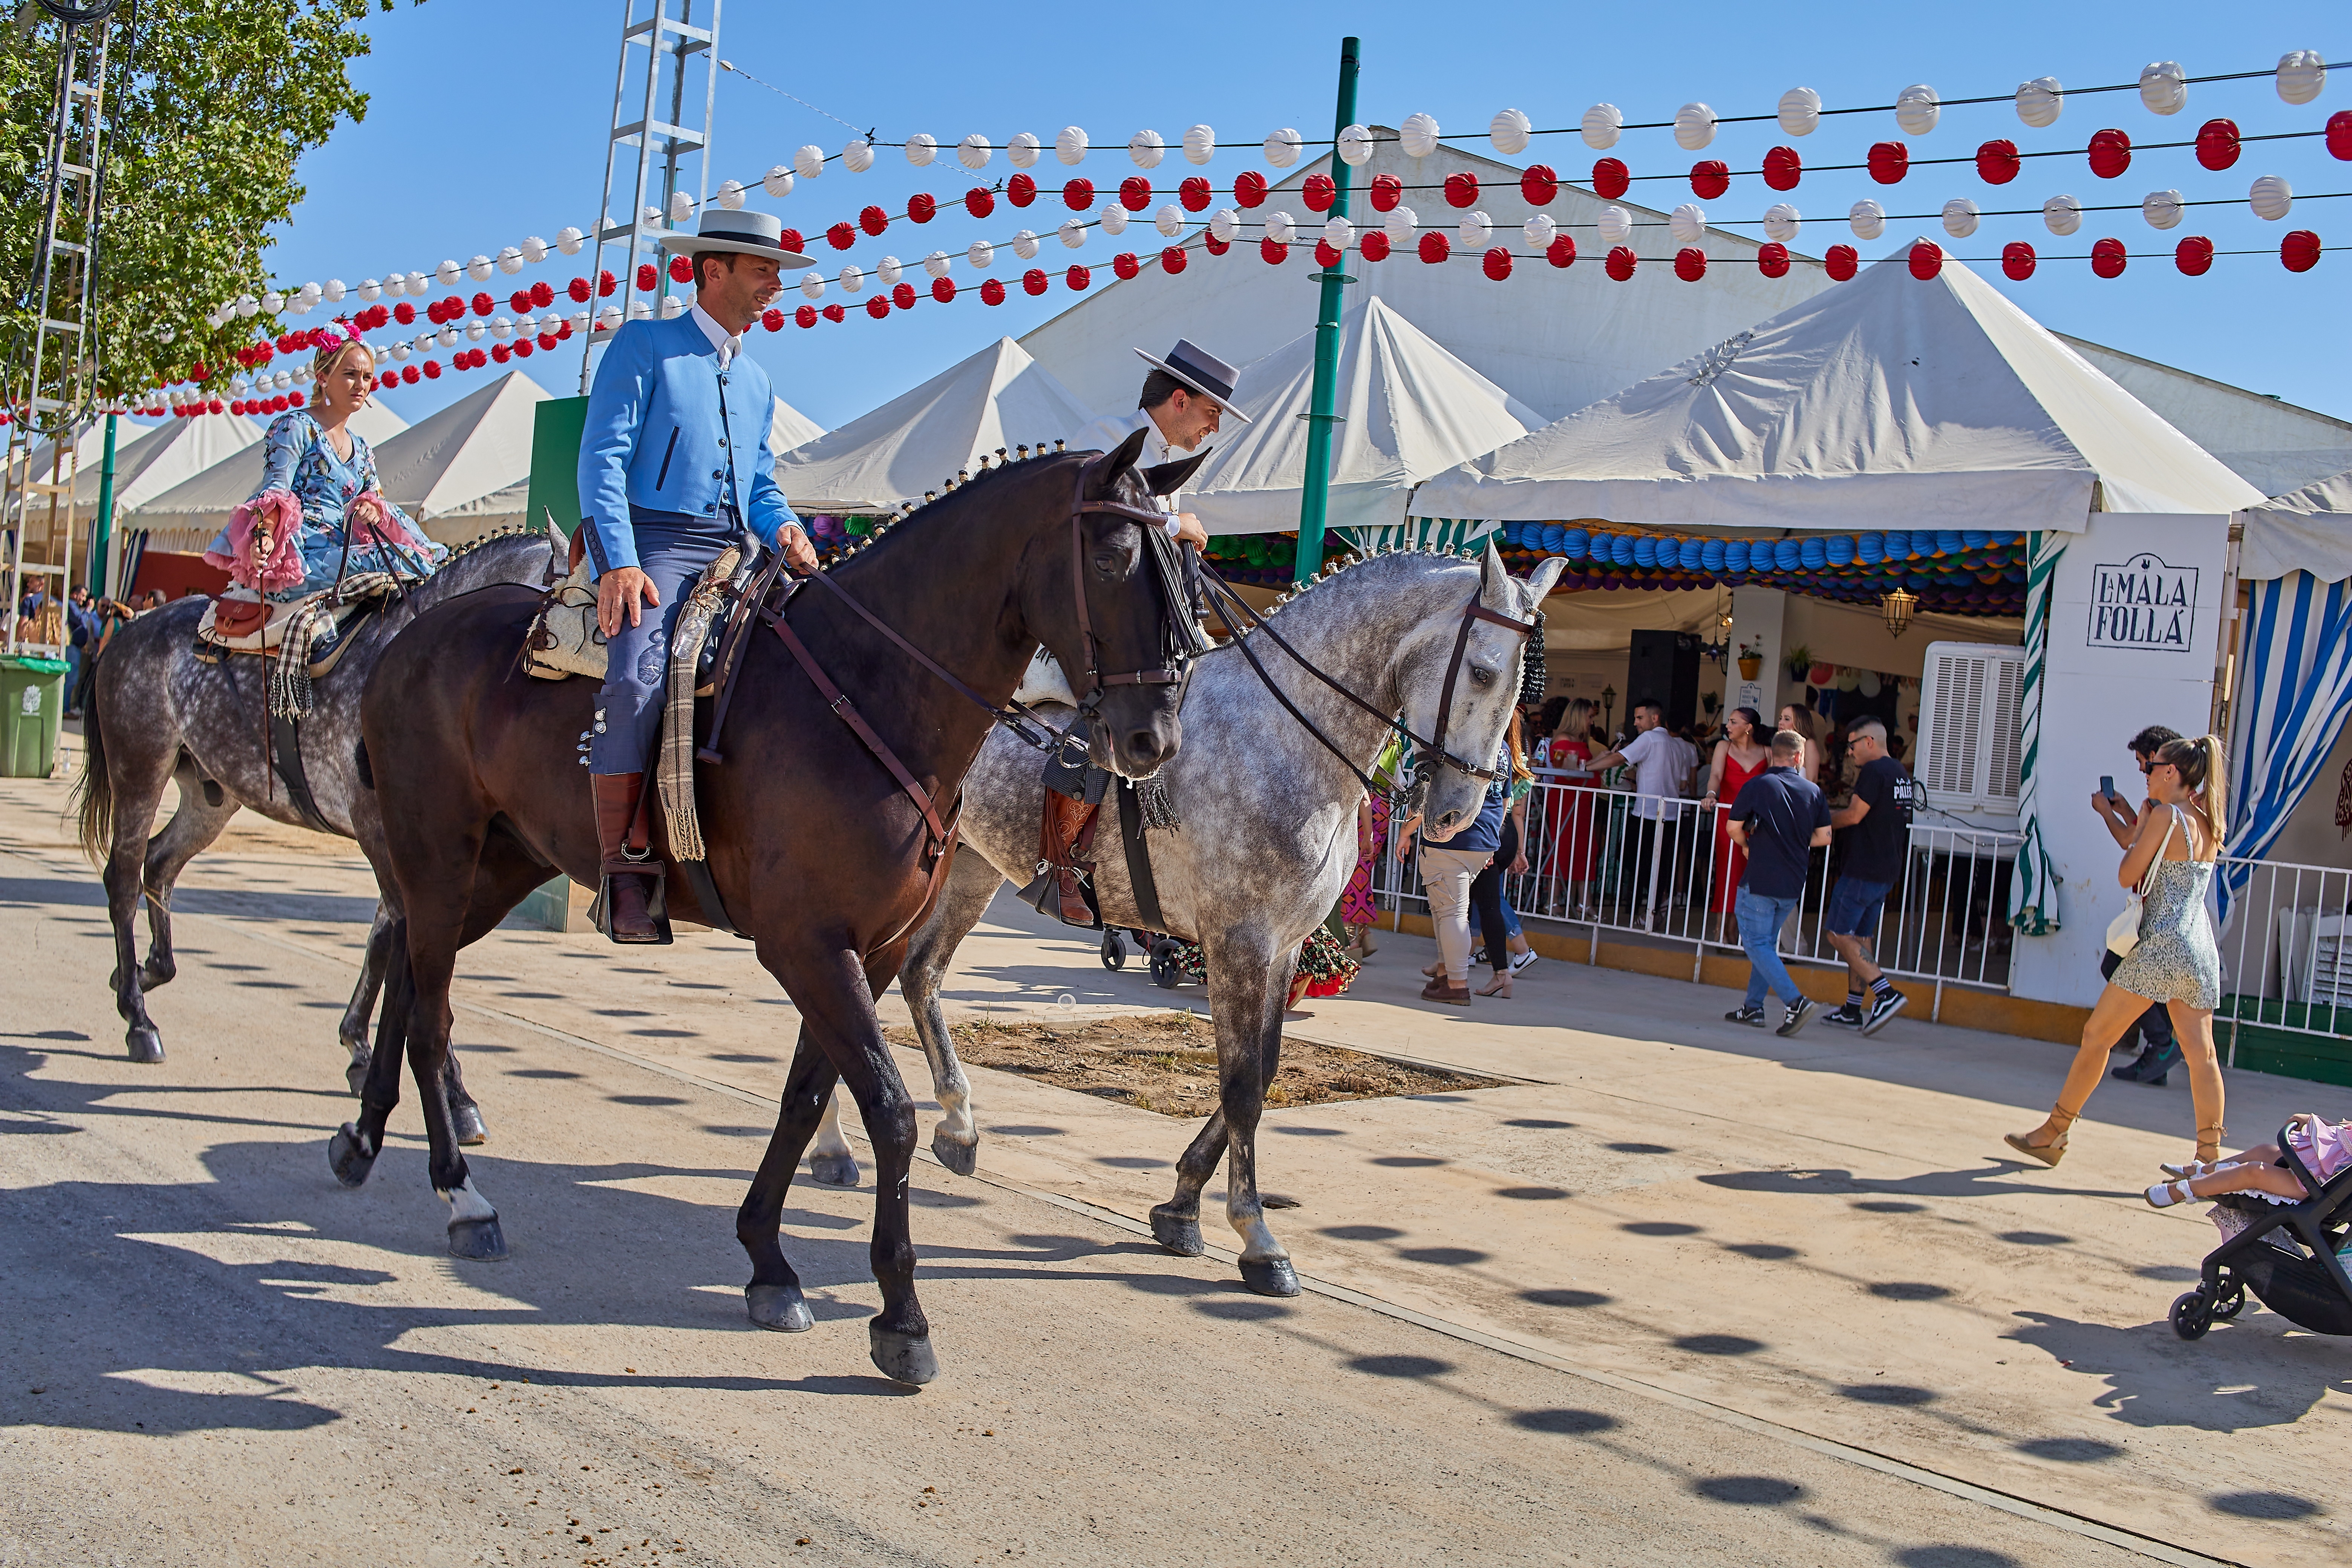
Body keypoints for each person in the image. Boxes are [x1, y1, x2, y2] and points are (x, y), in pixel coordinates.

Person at [578, 207, 821, 942]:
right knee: (634, 679)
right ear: (712, 270)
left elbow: (759, 482)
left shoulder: (756, 380)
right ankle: (625, 867)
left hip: (739, 548)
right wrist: (618, 560)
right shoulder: (645, 345)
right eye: (763, 269)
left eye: (777, 272)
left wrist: (785, 525)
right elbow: (602, 460)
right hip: (656, 543)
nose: (776, 283)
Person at [2006, 735, 2230, 1170]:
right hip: (2198, 947)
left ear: (2171, 773)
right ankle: (2208, 1158)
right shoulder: (2207, 819)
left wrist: (2144, 826)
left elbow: (2129, 873)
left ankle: (2055, 1130)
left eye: (2151, 768)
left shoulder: (2166, 815)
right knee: (2203, 1056)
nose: (2145, 775)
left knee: (2097, 1037)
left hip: (2161, 945)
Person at [202, 326, 446, 602]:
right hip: (303, 554)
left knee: (418, 557)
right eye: (350, 375)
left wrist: (370, 508)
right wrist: (265, 536)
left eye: (367, 377)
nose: (361, 385)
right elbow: (276, 492)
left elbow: (376, 499)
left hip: (345, 549)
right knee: (398, 559)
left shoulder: (363, 448)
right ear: (323, 378)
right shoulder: (297, 427)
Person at [1069, 337, 1247, 555]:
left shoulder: (1166, 459)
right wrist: (1174, 525)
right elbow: (1091, 511)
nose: (1215, 427)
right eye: (1212, 411)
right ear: (1180, 401)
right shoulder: (1107, 432)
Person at [2093, 724, 2185, 1084]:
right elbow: (2143, 832)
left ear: (2161, 761)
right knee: (2151, 983)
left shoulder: (2164, 807)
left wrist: (2105, 812)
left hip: (2155, 909)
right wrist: (2128, 809)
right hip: (2171, 912)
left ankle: (2162, 1046)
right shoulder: (2179, 805)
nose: (2141, 772)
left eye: (2144, 764)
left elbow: (2130, 842)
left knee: (2116, 967)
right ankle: (2158, 1057)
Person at [1724, 729, 1831, 1035]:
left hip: (1760, 878)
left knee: (1757, 945)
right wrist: (1793, 842)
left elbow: (1733, 827)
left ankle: (1795, 1002)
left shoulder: (1759, 785)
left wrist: (1748, 845)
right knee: (1766, 945)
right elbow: (1824, 837)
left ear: (1772, 754)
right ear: (1799, 757)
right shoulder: (1813, 791)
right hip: (1793, 880)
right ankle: (1753, 1008)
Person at [1403, 737, 1512, 1006]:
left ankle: (1456, 984)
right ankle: (1446, 974)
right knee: (1447, 912)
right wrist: (1490, 840)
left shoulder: (1454, 739)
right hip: (1484, 839)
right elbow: (1506, 799)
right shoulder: (1503, 747)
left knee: (1451, 914)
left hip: (1451, 840)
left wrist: (1405, 833)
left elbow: (1427, 793)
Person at [1822, 718, 1913, 1035]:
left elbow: (1855, 815)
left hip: (1864, 868)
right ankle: (1851, 1008)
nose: (1849, 752)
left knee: (1837, 933)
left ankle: (1885, 993)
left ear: (1869, 742)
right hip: (1886, 869)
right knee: (1861, 938)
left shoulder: (1874, 772)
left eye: (1853, 744)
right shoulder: (1899, 772)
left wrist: (1820, 824)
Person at [1582, 700, 1690, 925]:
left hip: (1648, 812)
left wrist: (1586, 768)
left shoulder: (1650, 739)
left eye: (1640, 718)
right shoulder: (1677, 745)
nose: (1636, 723)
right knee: (1653, 863)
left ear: (1655, 718)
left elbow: (1620, 758)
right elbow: (1682, 784)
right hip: (1670, 814)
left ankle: (1646, 906)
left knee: (1633, 858)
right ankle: (1651, 907)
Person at [2143, 1113, 2348, 1210]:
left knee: (2254, 1173)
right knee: (2264, 1151)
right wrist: (2321, 1124)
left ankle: (2187, 1190)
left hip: (2318, 1189)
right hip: (2316, 1169)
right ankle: (2205, 1172)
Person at [1700, 706, 1769, 926]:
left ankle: (1736, 930)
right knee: (1728, 871)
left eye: (1733, 722)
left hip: (1756, 821)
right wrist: (1711, 794)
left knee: (1751, 874)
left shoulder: (1767, 751)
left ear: (1748, 728)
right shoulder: (1724, 746)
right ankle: (1721, 929)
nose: (1727, 726)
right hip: (1729, 817)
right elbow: (1716, 775)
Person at [1536, 697, 1604, 913]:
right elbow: (1565, 768)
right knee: (1563, 847)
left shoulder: (1579, 740)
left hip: (1583, 803)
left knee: (1585, 850)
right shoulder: (1563, 739)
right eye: (1590, 717)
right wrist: (1598, 762)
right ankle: (1554, 901)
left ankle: (1584, 901)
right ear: (1579, 716)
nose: (1592, 722)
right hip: (1566, 801)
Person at [63, 585, 98, 718]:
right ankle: (65, 709)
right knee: (71, 679)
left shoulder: (76, 607)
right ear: (74, 594)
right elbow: (81, 620)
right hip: (72, 647)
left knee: (74, 679)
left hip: (77, 648)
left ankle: (67, 708)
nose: (84, 599)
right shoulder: (70, 605)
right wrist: (88, 610)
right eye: (82, 596)